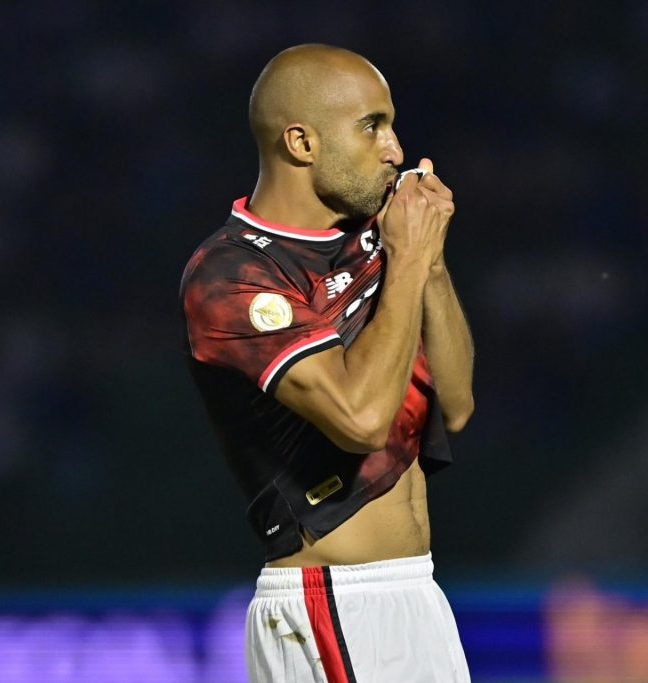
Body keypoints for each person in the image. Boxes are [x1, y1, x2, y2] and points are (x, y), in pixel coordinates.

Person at [179, 44, 474, 682]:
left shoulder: (376, 243)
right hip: (333, 603)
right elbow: (362, 420)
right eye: (372, 125)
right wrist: (406, 264)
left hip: (416, 592)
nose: (395, 149)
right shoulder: (233, 274)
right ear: (301, 142)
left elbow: (457, 402)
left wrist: (432, 262)